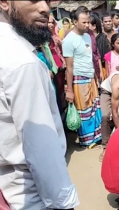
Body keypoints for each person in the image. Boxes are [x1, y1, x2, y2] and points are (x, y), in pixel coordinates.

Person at [0, 1, 79, 209]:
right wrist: (65, 203)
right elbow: (43, 154)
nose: (45, 8)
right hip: (30, 198)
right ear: (5, 3)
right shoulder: (23, 63)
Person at [62, 6, 103, 147]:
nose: (87, 25)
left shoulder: (87, 36)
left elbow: (89, 58)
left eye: (88, 22)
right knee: (84, 111)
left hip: (90, 78)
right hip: (79, 80)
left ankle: (96, 137)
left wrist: (95, 77)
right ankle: (86, 140)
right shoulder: (68, 40)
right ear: (74, 22)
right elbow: (69, 68)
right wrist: (70, 90)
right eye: (84, 22)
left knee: (94, 108)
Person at [99, 68, 119, 161]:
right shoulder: (117, 84)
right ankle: (106, 147)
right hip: (107, 91)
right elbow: (114, 111)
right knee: (106, 117)